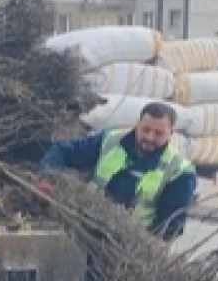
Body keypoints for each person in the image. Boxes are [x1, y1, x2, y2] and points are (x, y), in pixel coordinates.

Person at [39, 102, 198, 241]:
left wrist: (138, 243)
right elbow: (62, 151)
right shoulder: (109, 140)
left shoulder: (180, 171)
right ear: (137, 124)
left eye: (158, 133)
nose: (150, 137)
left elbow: (170, 227)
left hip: (128, 244)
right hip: (85, 226)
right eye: (146, 129)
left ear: (171, 133)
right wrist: (47, 177)